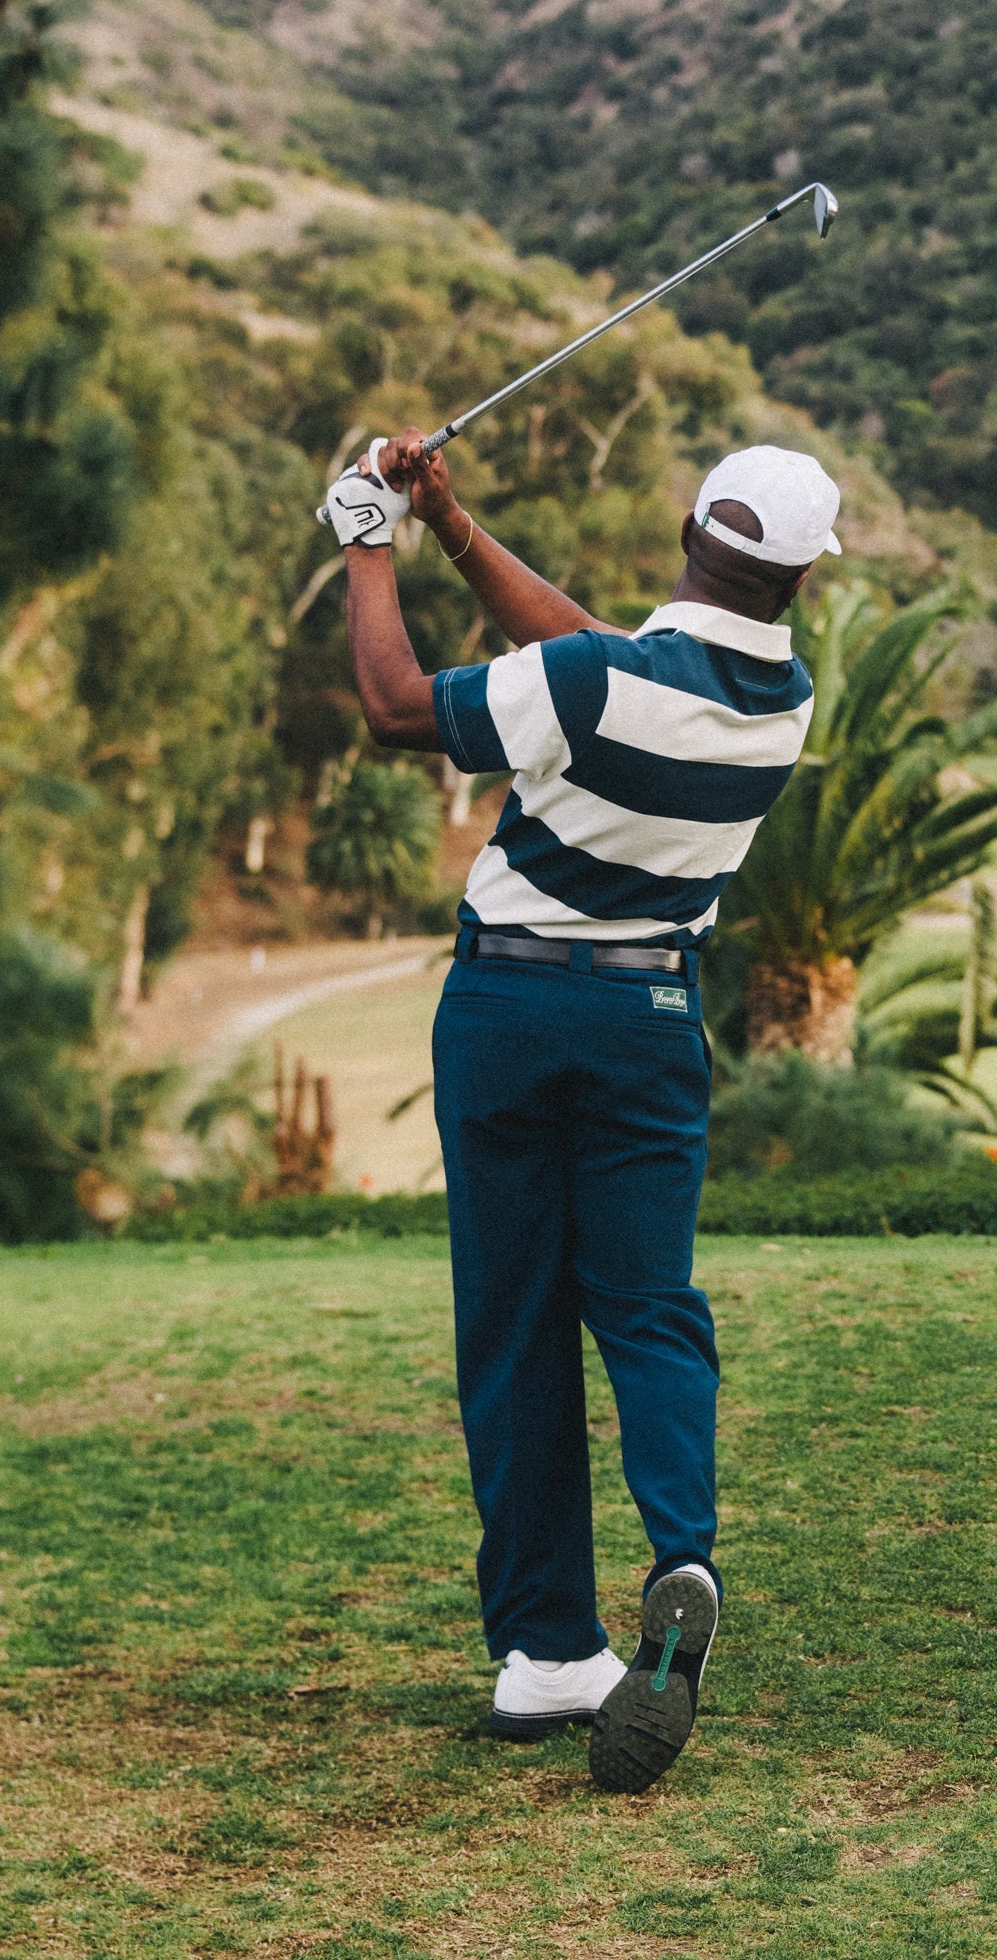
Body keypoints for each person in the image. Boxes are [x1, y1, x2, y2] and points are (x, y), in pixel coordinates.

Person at [322, 429, 840, 1793]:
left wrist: (365, 533)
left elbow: (392, 708)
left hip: (508, 1015)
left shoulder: (596, 682)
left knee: (515, 1319)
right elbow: (598, 655)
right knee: (648, 1304)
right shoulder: (777, 697)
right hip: (648, 1025)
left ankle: (549, 1644)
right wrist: (454, 522)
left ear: (689, 525)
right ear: (798, 576)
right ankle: (680, 1558)